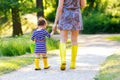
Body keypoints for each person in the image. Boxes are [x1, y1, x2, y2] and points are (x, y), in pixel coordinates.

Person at [52, 0, 86, 70]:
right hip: (76, 15)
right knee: (74, 40)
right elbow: (83, 5)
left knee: (63, 39)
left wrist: (55, 22)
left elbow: (60, 7)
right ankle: (73, 63)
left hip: (65, 14)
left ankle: (63, 60)